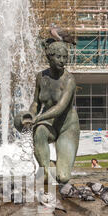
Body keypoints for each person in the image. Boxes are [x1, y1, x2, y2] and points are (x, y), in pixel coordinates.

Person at [14, 41, 80, 186]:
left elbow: (60, 108)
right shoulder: (41, 77)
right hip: (50, 125)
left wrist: (38, 118)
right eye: (58, 57)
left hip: (67, 128)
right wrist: (30, 115)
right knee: (40, 131)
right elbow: (36, 103)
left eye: (65, 57)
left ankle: (57, 164)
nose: (62, 61)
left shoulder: (69, 79)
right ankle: (44, 169)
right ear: (49, 58)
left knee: (62, 178)